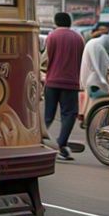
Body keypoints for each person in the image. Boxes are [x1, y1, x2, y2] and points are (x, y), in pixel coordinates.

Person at [44, 12, 85, 161]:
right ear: (70, 22)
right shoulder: (78, 38)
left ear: (56, 21)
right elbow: (81, 59)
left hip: (52, 81)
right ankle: (61, 144)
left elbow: (45, 59)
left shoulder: (52, 36)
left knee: (48, 114)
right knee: (69, 114)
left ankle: (38, 142)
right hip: (71, 83)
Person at [80, 34, 109, 101]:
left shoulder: (93, 43)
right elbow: (105, 66)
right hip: (96, 84)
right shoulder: (97, 46)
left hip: (90, 82)